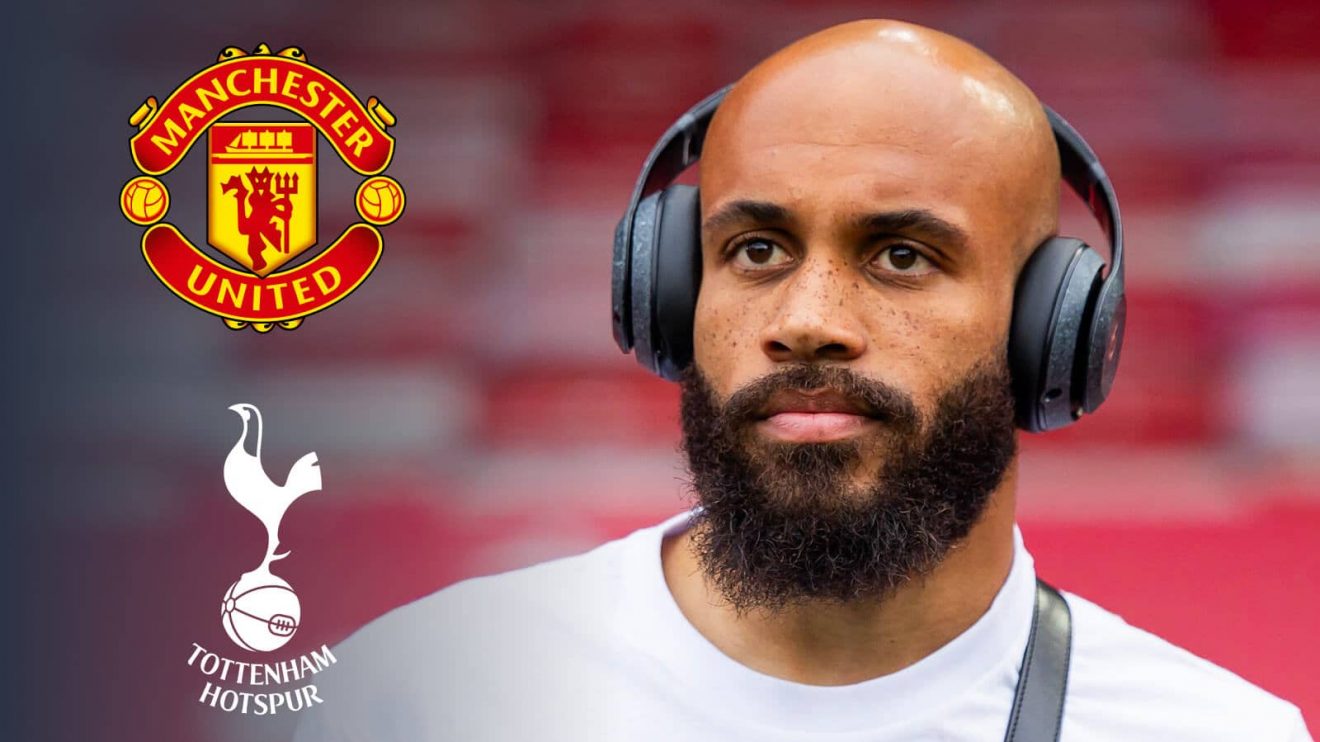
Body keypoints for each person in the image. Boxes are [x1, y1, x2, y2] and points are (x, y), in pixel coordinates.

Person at [295, 20, 1312, 741]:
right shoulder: (416, 701)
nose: (808, 320)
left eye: (902, 256)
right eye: (757, 250)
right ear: (666, 297)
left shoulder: (1216, 733)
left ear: (1051, 332)